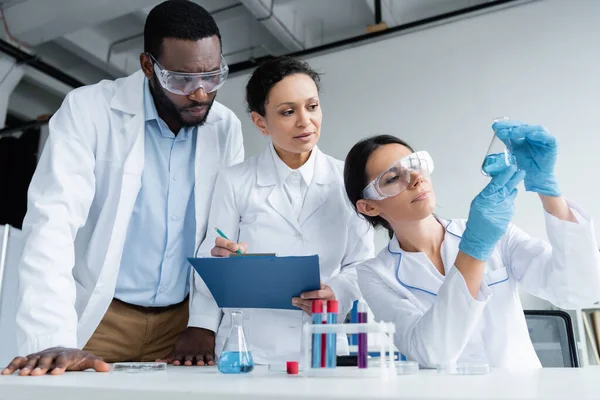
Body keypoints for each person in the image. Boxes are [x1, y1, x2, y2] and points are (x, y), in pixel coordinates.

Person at [2, 0, 243, 376]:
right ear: (148, 66)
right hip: (101, 319)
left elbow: (221, 232)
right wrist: (50, 337)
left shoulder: (225, 128)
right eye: (181, 80)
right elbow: (52, 225)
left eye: (212, 76)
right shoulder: (88, 111)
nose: (200, 93)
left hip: (183, 327)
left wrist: (204, 322)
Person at [343, 122, 600, 369]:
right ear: (369, 206)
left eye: (415, 165)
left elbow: (577, 292)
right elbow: (432, 352)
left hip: (522, 391)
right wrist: (475, 247)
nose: (415, 179)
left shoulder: (498, 232)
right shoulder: (375, 274)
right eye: (392, 178)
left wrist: (548, 189)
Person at [191, 56, 374, 364]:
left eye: (312, 106)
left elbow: (364, 264)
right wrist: (222, 262)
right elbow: (209, 266)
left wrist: (336, 291)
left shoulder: (348, 179)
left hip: (325, 346)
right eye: (288, 112)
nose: (305, 121)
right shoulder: (235, 181)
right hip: (251, 349)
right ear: (260, 122)